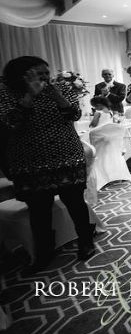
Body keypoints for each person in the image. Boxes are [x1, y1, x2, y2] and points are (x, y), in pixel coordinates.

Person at [0, 56, 95, 271]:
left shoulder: (61, 88)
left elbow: (75, 114)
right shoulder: (7, 93)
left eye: (46, 73)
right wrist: (29, 96)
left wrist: (57, 95)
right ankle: (44, 251)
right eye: (37, 74)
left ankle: (85, 241)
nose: (44, 77)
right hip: (29, 162)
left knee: (75, 203)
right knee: (39, 211)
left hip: (67, 157)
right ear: (21, 76)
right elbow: (11, 123)